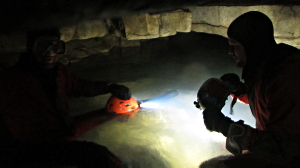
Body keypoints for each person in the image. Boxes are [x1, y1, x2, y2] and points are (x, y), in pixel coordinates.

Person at [0, 28, 131, 168]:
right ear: (31, 48)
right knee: (96, 154)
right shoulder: (13, 80)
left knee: (111, 114)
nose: (50, 52)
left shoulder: (58, 71)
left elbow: (78, 86)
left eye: (55, 46)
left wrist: (109, 87)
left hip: (64, 129)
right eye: (42, 46)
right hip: (38, 145)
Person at [199, 11, 300, 168]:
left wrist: (224, 126)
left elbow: (282, 148)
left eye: (235, 46)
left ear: (252, 45)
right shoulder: (266, 65)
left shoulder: (287, 76)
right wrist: (240, 90)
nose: (230, 52)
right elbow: (266, 100)